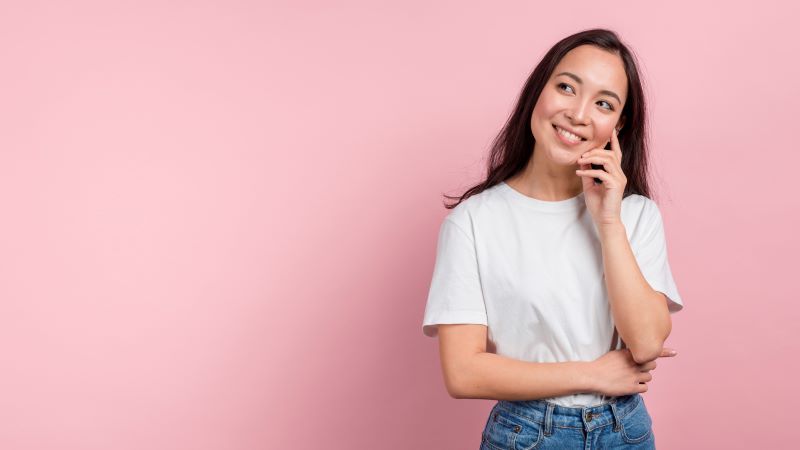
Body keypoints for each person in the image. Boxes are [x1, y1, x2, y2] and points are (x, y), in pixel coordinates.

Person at [421, 28, 685, 449]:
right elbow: (463, 372)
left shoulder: (635, 215)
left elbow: (648, 341)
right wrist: (590, 374)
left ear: (619, 124)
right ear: (538, 91)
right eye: (566, 87)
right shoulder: (474, 222)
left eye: (603, 103)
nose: (579, 114)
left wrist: (609, 223)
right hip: (528, 434)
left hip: (625, 432)